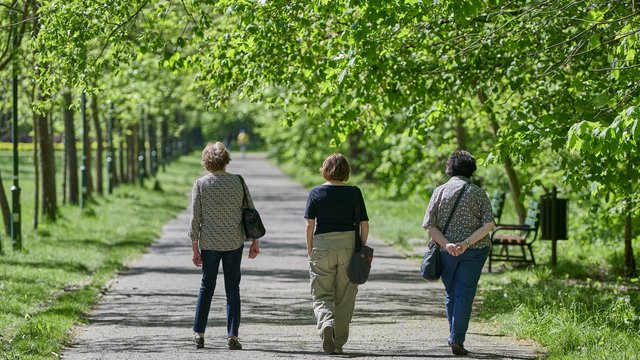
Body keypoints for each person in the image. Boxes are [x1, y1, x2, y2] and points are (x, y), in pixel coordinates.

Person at [188, 142, 261, 350]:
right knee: (232, 288)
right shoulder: (238, 181)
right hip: (233, 242)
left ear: (206, 161)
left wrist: (195, 247)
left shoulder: (201, 184)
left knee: (206, 286)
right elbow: (251, 212)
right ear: (226, 160)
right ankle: (232, 337)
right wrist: (255, 241)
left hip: (209, 242)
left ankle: (199, 334)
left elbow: (196, 218)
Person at [422, 150, 495, 356]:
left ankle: (454, 335)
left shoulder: (439, 191)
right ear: (471, 169)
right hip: (475, 251)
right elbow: (489, 225)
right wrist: (465, 243)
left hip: (446, 252)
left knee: (451, 292)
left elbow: (429, 225)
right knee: (465, 292)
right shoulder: (478, 193)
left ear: (450, 168)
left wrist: (448, 245)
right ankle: (457, 338)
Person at [304, 153, 369, 355]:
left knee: (322, 293)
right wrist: (360, 247)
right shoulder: (354, 192)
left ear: (325, 170)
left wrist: (309, 250)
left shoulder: (315, 193)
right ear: (346, 172)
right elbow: (364, 225)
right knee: (346, 296)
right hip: (349, 245)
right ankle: (338, 343)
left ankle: (325, 323)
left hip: (322, 245)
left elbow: (309, 225)